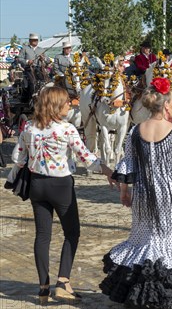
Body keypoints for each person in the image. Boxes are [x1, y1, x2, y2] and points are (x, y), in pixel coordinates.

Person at [100, 77, 172, 308]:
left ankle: (143, 293)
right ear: (168, 105)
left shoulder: (134, 131)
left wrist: (124, 191)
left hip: (142, 192)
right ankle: (165, 294)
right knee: (170, 241)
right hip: (168, 194)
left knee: (143, 239)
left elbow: (128, 164)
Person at [11, 86, 114, 304]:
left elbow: (17, 158)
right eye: (67, 102)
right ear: (57, 104)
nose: (71, 105)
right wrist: (108, 171)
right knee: (72, 232)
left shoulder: (29, 127)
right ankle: (63, 281)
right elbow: (86, 157)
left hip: (37, 186)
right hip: (61, 185)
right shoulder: (66, 129)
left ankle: (42, 288)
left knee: (42, 235)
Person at [19, 33, 49, 99]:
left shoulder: (41, 50)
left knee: (45, 82)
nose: (35, 41)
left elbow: (48, 61)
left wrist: (44, 58)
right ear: (30, 41)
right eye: (34, 40)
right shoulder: (25, 48)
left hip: (40, 69)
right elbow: (20, 59)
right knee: (32, 83)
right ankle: (31, 98)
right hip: (29, 69)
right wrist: (27, 61)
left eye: (36, 40)